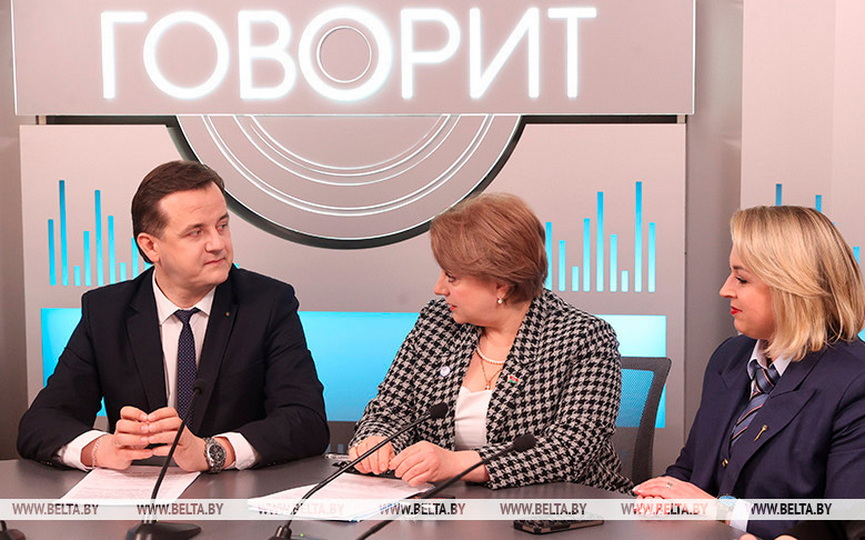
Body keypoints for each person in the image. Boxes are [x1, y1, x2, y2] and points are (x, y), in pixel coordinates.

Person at [17, 160, 328, 472]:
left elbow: (306, 421)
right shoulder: (106, 311)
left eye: (222, 225)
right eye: (196, 232)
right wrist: (101, 450)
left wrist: (212, 452)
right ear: (151, 246)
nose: (218, 244)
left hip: (235, 492)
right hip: (138, 493)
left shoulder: (268, 303)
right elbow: (40, 423)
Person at [348, 193, 631, 492]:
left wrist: (457, 464)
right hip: (453, 506)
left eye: (452, 277)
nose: (438, 288)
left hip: (561, 507)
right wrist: (377, 440)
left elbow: (570, 450)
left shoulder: (583, 337)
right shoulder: (437, 322)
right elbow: (390, 410)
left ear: (501, 284)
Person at [634, 206, 865, 538]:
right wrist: (661, 495)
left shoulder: (854, 381)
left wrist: (721, 511)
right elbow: (691, 468)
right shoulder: (730, 356)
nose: (725, 289)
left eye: (741, 279)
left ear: (792, 287)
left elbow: (844, 523)